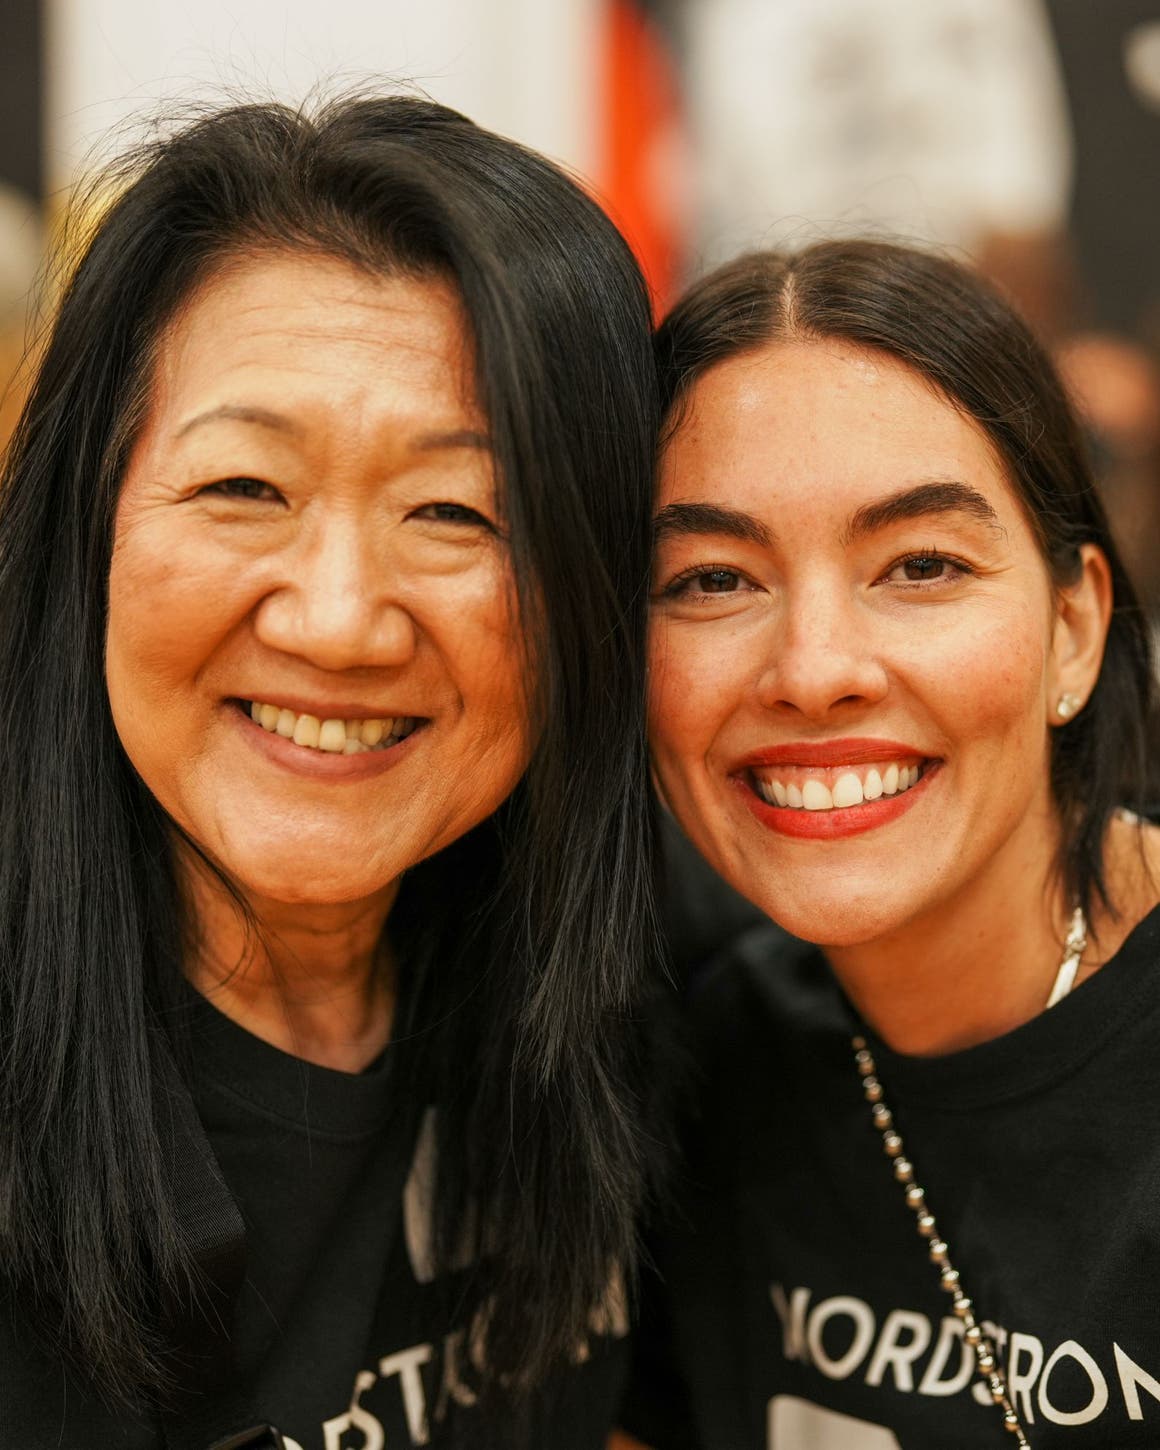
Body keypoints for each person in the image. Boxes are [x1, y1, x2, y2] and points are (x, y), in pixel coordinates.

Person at [0, 95, 660, 1449]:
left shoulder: (629, 976)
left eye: (457, 512)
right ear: (89, 525)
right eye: (245, 487)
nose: (339, 618)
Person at [621, 240, 1160, 1448]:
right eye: (710, 578)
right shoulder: (699, 1076)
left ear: (1072, 626)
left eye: (919, 565)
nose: (813, 671)